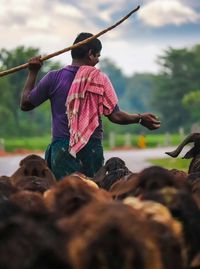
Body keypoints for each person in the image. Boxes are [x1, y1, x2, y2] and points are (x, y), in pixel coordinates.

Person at [20, 32, 161, 180]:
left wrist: (33, 72)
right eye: (98, 56)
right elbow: (116, 116)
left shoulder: (53, 78)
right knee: (92, 194)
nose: (98, 60)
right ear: (90, 54)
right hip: (91, 149)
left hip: (62, 150)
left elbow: (25, 104)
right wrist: (139, 118)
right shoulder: (100, 79)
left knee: (63, 196)